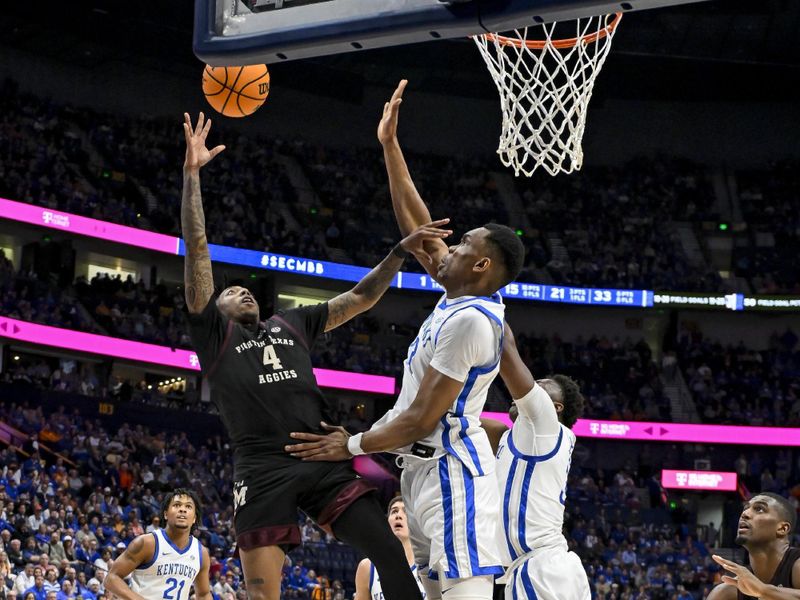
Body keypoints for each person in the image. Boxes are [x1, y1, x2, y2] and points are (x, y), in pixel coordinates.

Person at [180, 113, 446, 600]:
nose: (241, 291)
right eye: (230, 290)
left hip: (322, 456)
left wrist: (397, 253)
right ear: (213, 308)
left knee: (388, 548)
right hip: (262, 468)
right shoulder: (213, 336)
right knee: (264, 594)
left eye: (246, 289)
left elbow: (361, 298)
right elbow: (198, 248)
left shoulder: (292, 322)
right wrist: (192, 176)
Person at [286, 81, 526, 600]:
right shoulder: (461, 295)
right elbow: (420, 231)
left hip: (453, 474)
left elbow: (421, 418)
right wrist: (390, 146)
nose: (449, 248)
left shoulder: (471, 322)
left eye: (462, 244)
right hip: (417, 470)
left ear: (482, 264)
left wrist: (347, 445)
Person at [482, 326, 589, 600]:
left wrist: (484, 293)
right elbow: (462, 421)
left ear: (555, 409)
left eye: (540, 388)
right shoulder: (514, 437)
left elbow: (507, 350)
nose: (530, 388)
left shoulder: (546, 428)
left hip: (541, 569)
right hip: (539, 568)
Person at [103, 488, 211, 600]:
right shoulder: (147, 543)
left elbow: (203, 594)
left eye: (188, 506)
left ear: (194, 518)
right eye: (177, 505)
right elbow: (111, 578)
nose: (182, 510)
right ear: (165, 514)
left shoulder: (201, 553)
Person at [709, 493, 800, 600]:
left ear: (782, 528)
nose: (745, 514)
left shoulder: (797, 565)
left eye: (759, 509)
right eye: (745, 508)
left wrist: (763, 591)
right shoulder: (727, 593)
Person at [354, 496, 426, 600]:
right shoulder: (368, 567)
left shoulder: (429, 566)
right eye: (394, 511)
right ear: (387, 522)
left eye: (405, 512)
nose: (398, 516)